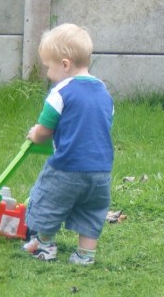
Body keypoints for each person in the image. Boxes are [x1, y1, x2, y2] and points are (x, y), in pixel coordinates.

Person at [22, 23, 115, 266]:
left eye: (49, 68)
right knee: (91, 211)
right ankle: (85, 255)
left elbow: (44, 132)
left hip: (67, 167)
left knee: (49, 201)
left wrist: (34, 134)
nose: (48, 75)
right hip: (101, 170)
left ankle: (44, 245)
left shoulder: (61, 92)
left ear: (65, 64)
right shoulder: (104, 91)